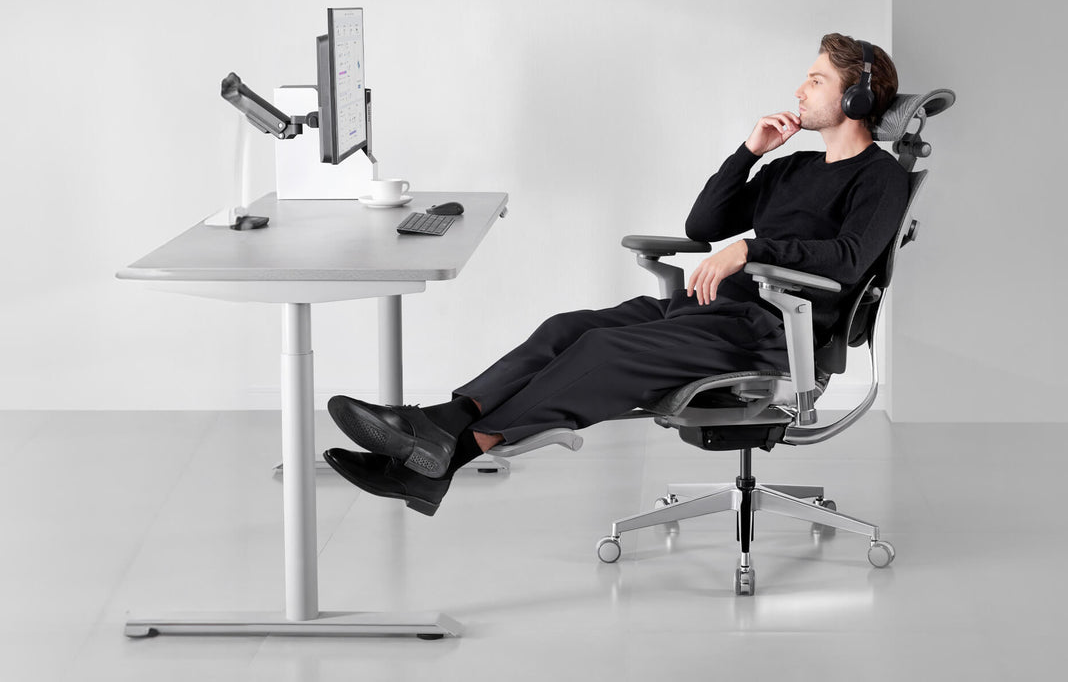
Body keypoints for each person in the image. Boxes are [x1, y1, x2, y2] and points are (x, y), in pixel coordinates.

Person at [323, 33, 908, 516]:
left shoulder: (878, 178)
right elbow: (702, 224)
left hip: (772, 330)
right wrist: (749, 151)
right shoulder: (794, 167)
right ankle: (436, 432)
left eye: (816, 80)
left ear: (855, 100)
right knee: (566, 329)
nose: (799, 90)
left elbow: (851, 257)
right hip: (708, 311)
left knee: (602, 350)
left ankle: (441, 459)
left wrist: (750, 249)